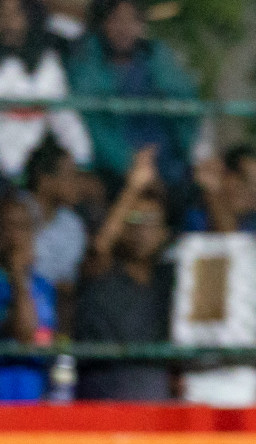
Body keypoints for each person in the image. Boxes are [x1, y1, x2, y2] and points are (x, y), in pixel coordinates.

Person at [73, 144, 173, 399]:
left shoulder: (168, 279)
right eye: (134, 221)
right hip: (102, 392)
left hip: (153, 397)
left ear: (164, 233)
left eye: (150, 223)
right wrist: (133, 187)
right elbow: (99, 249)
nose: (141, 231)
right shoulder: (102, 272)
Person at [67, 0, 198, 186]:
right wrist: (129, 164)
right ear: (102, 23)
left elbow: (185, 110)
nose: (124, 28)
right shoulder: (87, 63)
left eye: (132, 21)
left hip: (166, 167)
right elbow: (94, 126)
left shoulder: (157, 57)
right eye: (116, 20)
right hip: (111, 171)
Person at [0, 0, 91, 179]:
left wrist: (81, 157)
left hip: (40, 160)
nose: (8, 22)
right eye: (2, 14)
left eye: (16, 14)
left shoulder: (47, 60)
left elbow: (63, 114)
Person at [22, 138, 88, 325]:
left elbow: (67, 285)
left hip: (51, 309)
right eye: (70, 175)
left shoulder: (73, 225)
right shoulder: (14, 213)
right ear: (45, 179)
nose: (77, 183)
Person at [0, 192, 57, 400]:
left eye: (23, 227)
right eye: (7, 226)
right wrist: (16, 274)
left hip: (33, 403)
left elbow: (49, 343)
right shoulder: (14, 281)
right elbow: (23, 331)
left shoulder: (44, 286)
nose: (15, 235)